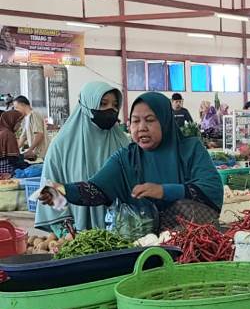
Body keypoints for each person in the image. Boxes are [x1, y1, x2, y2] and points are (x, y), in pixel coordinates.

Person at [39, 92, 223, 230]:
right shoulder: (126, 158)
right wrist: (62, 190)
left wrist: (163, 190)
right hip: (143, 244)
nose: (141, 128)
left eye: (150, 120)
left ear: (165, 121)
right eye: (135, 121)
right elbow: (95, 190)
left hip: (193, 241)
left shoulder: (190, 149)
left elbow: (211, 188)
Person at [36, 82, 130, 233]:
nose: (110, 110)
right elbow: (50, 191)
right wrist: (67, 234)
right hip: (78, 235)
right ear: (87, 105)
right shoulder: (61, 145)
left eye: (115, 105)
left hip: (123, 231)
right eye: (103, 104)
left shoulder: (123, 142)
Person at [14, 95, 48, 160]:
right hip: (36, 154)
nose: (16, 110)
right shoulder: (26, 118)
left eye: (17, 107)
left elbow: (39, 134)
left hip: (42, 153)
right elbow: (23, 137)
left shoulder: (34, 115)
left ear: (23, 105)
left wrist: (30, 149)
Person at [0, 110, 24, 177]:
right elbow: (13, 159)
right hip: (7, 171)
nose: (20, 125)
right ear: (12, 121)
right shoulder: (8, 134)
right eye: (19, 122)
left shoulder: (2, 131)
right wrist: (25, 156)